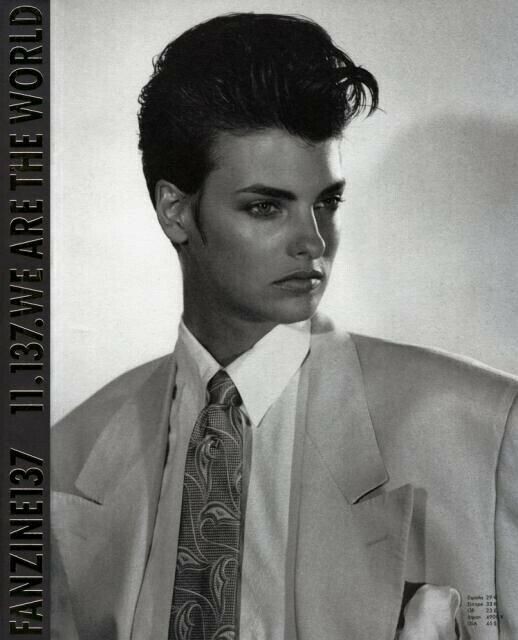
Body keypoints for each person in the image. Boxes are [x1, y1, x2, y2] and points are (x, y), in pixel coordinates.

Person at [51, 12, 518, 640]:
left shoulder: (486, 429)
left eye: (326, 202)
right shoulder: (65, 460)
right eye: (266, 206)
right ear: (175, 211)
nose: (313, 242)